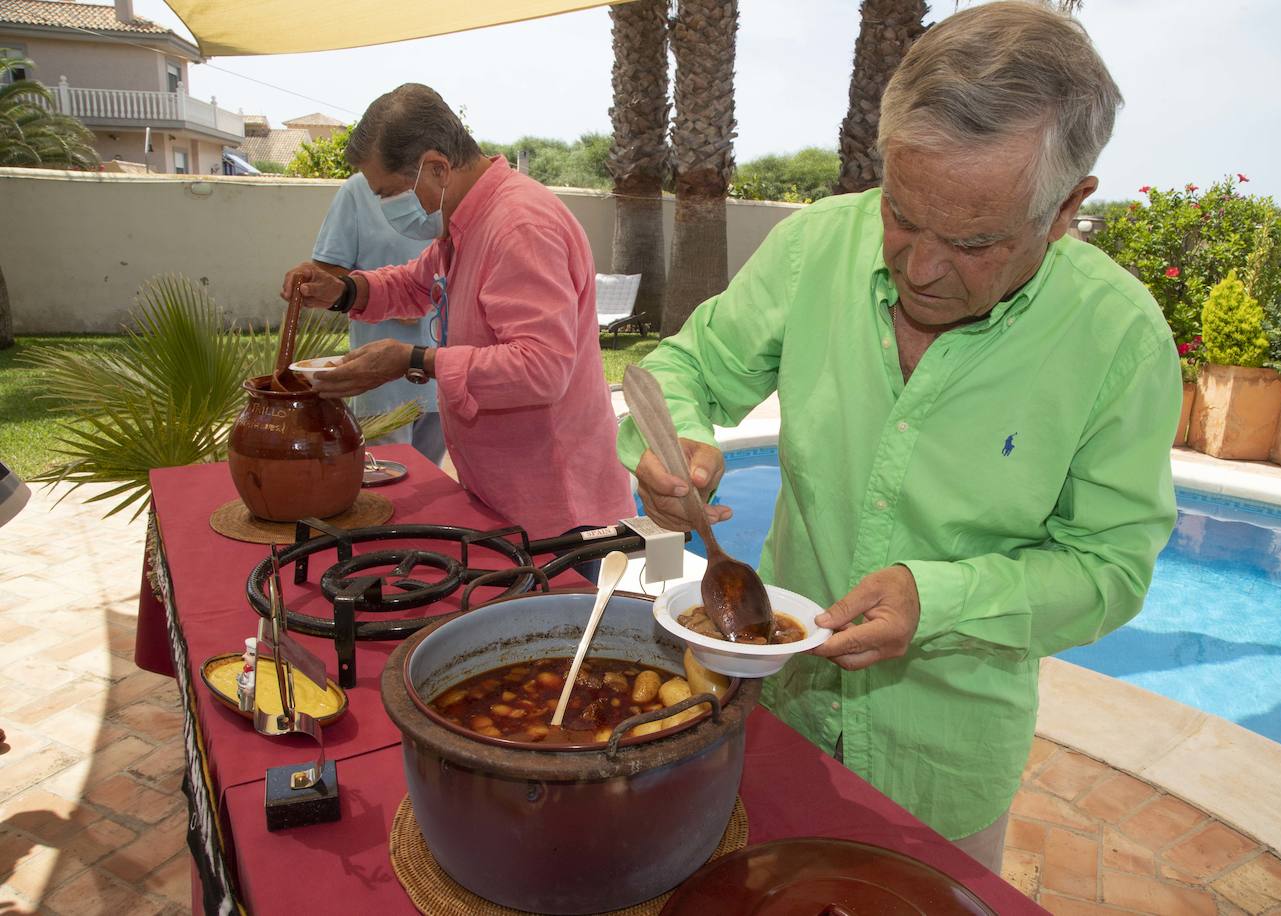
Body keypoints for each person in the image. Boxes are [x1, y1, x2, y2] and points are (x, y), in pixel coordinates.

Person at [619, 1, 1179, 873]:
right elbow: (684, 368)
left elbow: (1110, 569)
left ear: (1067, 208)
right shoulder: (817, 247)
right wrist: (672, 444)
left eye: (974, 241)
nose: (919, 268)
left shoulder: (1118, 340)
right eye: (902, 216)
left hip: (943, 770)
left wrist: (942, 600)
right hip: (778, 717)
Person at [283, 84, 634, 542]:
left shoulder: (519, 227)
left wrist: (414, 361)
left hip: (554, 512)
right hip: (503, 495)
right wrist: (345, 291)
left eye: (388, 193)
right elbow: (415, 282)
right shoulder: (466, 222)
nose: (388, 208)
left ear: (436, 167)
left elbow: (542, 368)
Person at [311, 171, 445, 465]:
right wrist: (394, 300)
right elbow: (327, 275)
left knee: (430, 485)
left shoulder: (448, 186)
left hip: (444, 375)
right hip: (382, 383)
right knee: (388, 489)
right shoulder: (359, 190)